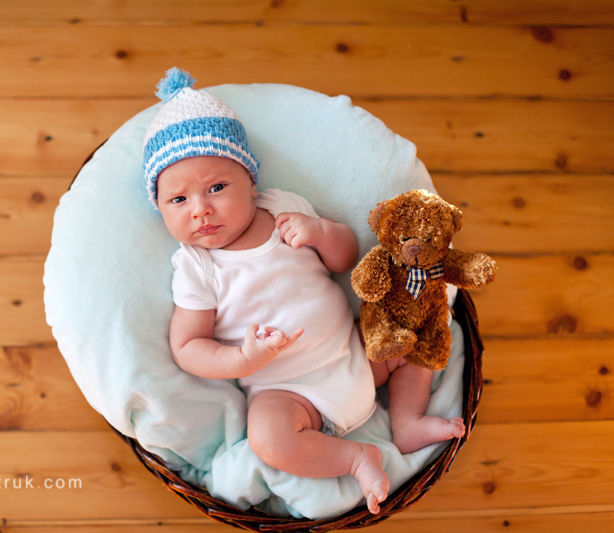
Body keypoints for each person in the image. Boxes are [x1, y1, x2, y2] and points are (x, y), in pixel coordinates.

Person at [144, 68, 465, 514]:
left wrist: (320, 233)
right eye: (178, 200)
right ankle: (356, 458)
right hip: (287, 390)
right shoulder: (197, 266)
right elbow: (187, 346)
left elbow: (344, 259)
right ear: (159, 208)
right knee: (268, 439)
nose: (201, 210)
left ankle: (407, 421)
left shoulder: (282, 207)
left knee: (419, 324)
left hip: (355, 351)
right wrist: (242, 360)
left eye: (217, 187)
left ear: (251, 183)